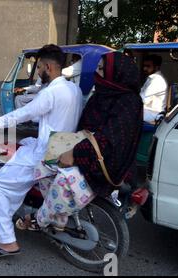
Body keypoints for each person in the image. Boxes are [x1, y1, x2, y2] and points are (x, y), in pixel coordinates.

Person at [0, 44, 83, 259]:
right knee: (24, 145)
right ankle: (18, 209)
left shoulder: (51, 92)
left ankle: (7, 242)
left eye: (38, 68)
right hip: (64, 149)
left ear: (48, 66)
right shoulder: (74, 89)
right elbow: (44, 116)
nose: (37, 72)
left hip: (46, 153)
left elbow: (23, 115)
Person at [22, 51, 143, 230]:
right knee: (44, 165)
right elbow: (86, 126)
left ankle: (39, 220)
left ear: (115, 73)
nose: (97, 73)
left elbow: (109, 140)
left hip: (105, 163)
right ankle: (58, 220)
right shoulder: (103, 93)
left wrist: (74, 152)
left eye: (102, 69)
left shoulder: (129, 103)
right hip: (88, 150)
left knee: (63, 181)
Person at [140, 54, 167, 123]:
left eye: (148, 66)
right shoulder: (151, 78)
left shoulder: (157, 80)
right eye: (144, 66)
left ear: (157, 67)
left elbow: (142, 99)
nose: (144, 68)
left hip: (153, 115)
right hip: (147, 112)